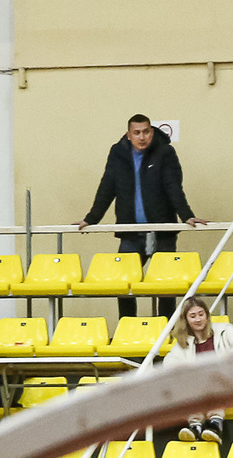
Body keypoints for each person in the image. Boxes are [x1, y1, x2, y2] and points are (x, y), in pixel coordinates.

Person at [85, 116, 204, 318]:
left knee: (166, 287)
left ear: (152, 131)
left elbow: (173, 186)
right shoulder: (117, 153)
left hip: (163, 232)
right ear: (128, 135)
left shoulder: (165, 152)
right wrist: (91, 219)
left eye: (146, 132)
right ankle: (128, 329)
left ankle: (166, 332)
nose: (142, 137)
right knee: (123, 285)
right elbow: (107, 186)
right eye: (137, 133)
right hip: (130, 233)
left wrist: (187, 216)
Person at [159, 296, 233, 441]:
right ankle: (197, 425)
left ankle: (213, 423)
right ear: (186, 319)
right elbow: (169, 363)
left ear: (207, 315)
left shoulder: (224, 330)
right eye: (193, 316)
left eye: (201, 314)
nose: (198, 319)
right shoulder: (184, 342)